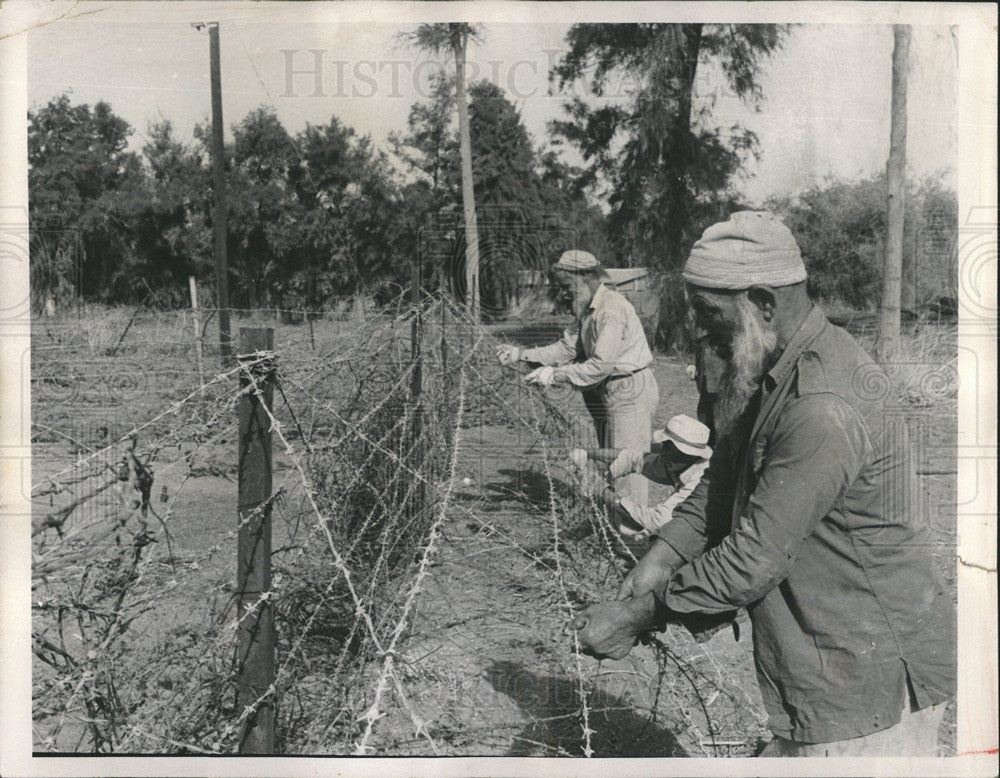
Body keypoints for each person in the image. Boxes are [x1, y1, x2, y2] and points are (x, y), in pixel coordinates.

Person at [570, 211, 956, 757]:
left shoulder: (820, 404)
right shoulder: (773, 367)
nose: (699, 331)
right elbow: (723, 478)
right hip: (829, 659)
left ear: (762, 302)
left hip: (867, 680)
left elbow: (754, 558)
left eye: (708, 313)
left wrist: (638, 614)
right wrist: (661, 556)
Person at [497, 250, 659, 508]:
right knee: (611, 457)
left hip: (628, 388)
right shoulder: (588, 310)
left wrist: (555, 373)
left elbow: (599, 366)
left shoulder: (611, 310)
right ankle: (617, 522)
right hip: (608, 390)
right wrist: (520, 354)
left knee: (628, 464)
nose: (563, 294)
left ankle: (634, 535)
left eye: (566, 286)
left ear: (587, 276)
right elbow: (567, 348)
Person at [571, 414, 712, 539]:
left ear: (690, 454)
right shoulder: (679, 461)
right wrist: (586, 453)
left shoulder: (700, 479)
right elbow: (632, 458)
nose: (663, 452)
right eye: (665, 446)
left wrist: (602, 490)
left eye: (670, 448)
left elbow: (656, 521)